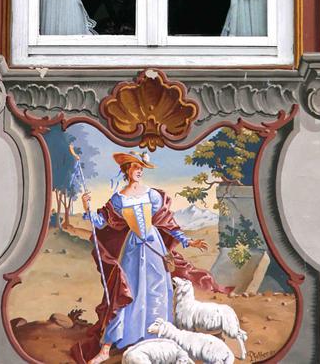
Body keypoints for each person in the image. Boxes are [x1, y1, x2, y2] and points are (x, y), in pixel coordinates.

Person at [78, 152, 227, 364]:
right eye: (136, 167)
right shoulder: (118, 199)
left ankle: (159, 341)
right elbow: (101, 222)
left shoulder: (152, 195)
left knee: (157, 292)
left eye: (142, 168)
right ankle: (107, 348)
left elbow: (167, 222)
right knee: (128, 292)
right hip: (133, 250)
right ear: (127, 169)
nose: (139, 171)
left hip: (154, 247)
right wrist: (87, 208)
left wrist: (187, 241)